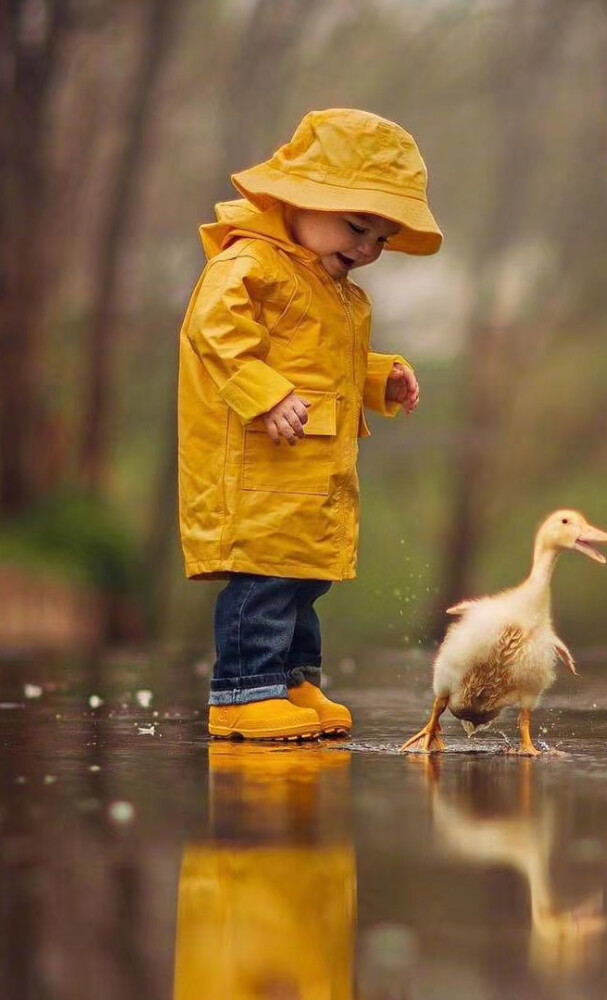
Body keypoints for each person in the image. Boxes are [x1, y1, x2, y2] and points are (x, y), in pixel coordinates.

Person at [178, 108, 442, 741]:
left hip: (308, 471)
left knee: (303, 582)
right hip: (259, 466)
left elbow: (326, 363)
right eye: (356, 227)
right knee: (265, 577)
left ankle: (294, 682)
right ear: (299, 197)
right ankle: (243, 691)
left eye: (380, 238)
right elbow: (213, 331)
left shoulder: (335, 288)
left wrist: (381, 378)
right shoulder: (251, 266)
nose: (366, 249)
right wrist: (266, 395)